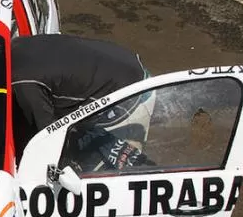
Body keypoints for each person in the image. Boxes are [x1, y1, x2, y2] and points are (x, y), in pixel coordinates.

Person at [10, 33, 151, 154]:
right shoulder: (16, 44)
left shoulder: (23, 82)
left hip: (129, 94)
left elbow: (48, 135)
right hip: (126, 63)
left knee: (109, 161)